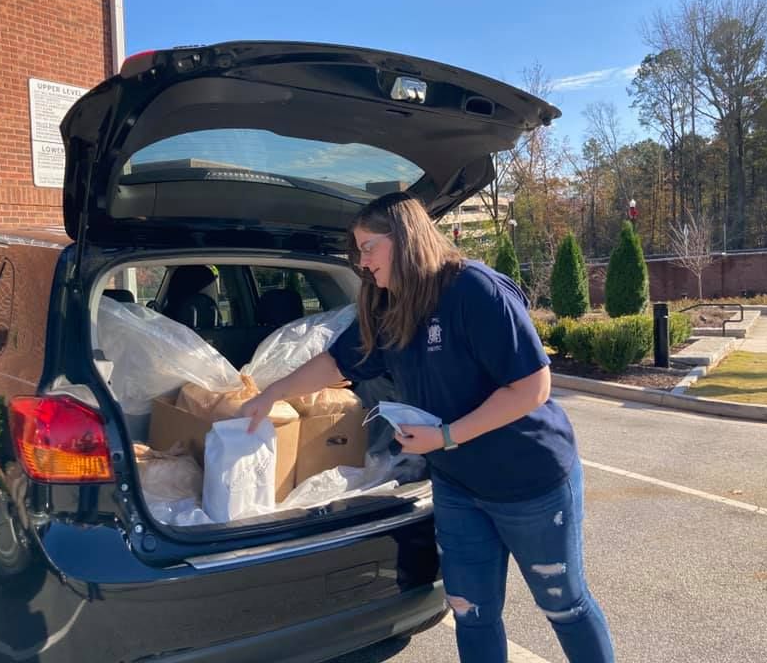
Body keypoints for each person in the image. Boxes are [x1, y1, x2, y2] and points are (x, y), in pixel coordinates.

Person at [239, 192, 615, 663]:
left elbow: (532, 387)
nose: (361, 262)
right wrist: (270, 394)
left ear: (405, 237)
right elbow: (337, 362)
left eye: (368, 247)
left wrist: (447, 436)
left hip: (529, 480)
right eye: (357, 251)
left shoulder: (474, 290)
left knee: (564, 605)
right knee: (471, 610)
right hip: (457, 484)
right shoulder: (388, 305)